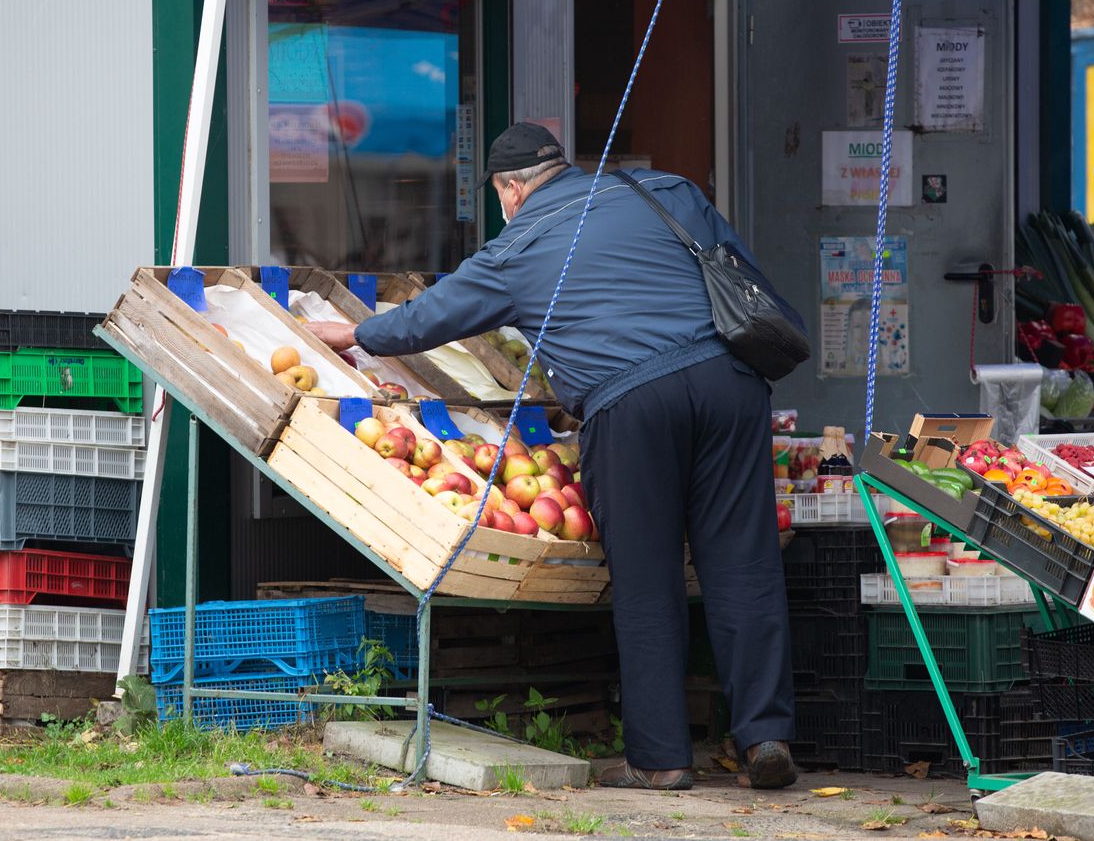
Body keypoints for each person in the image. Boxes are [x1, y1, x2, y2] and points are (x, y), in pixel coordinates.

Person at [306, 122, 800, 791]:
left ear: (511, 190)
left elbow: (432, 316)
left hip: (633, 404)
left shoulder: (521, 244)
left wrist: (355, 331)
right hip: (729, 384)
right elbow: (739, 269)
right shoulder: (665, 189)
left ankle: (662, 759)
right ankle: (765, 736)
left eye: (501, 196)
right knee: (743, 562)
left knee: (647, 575)